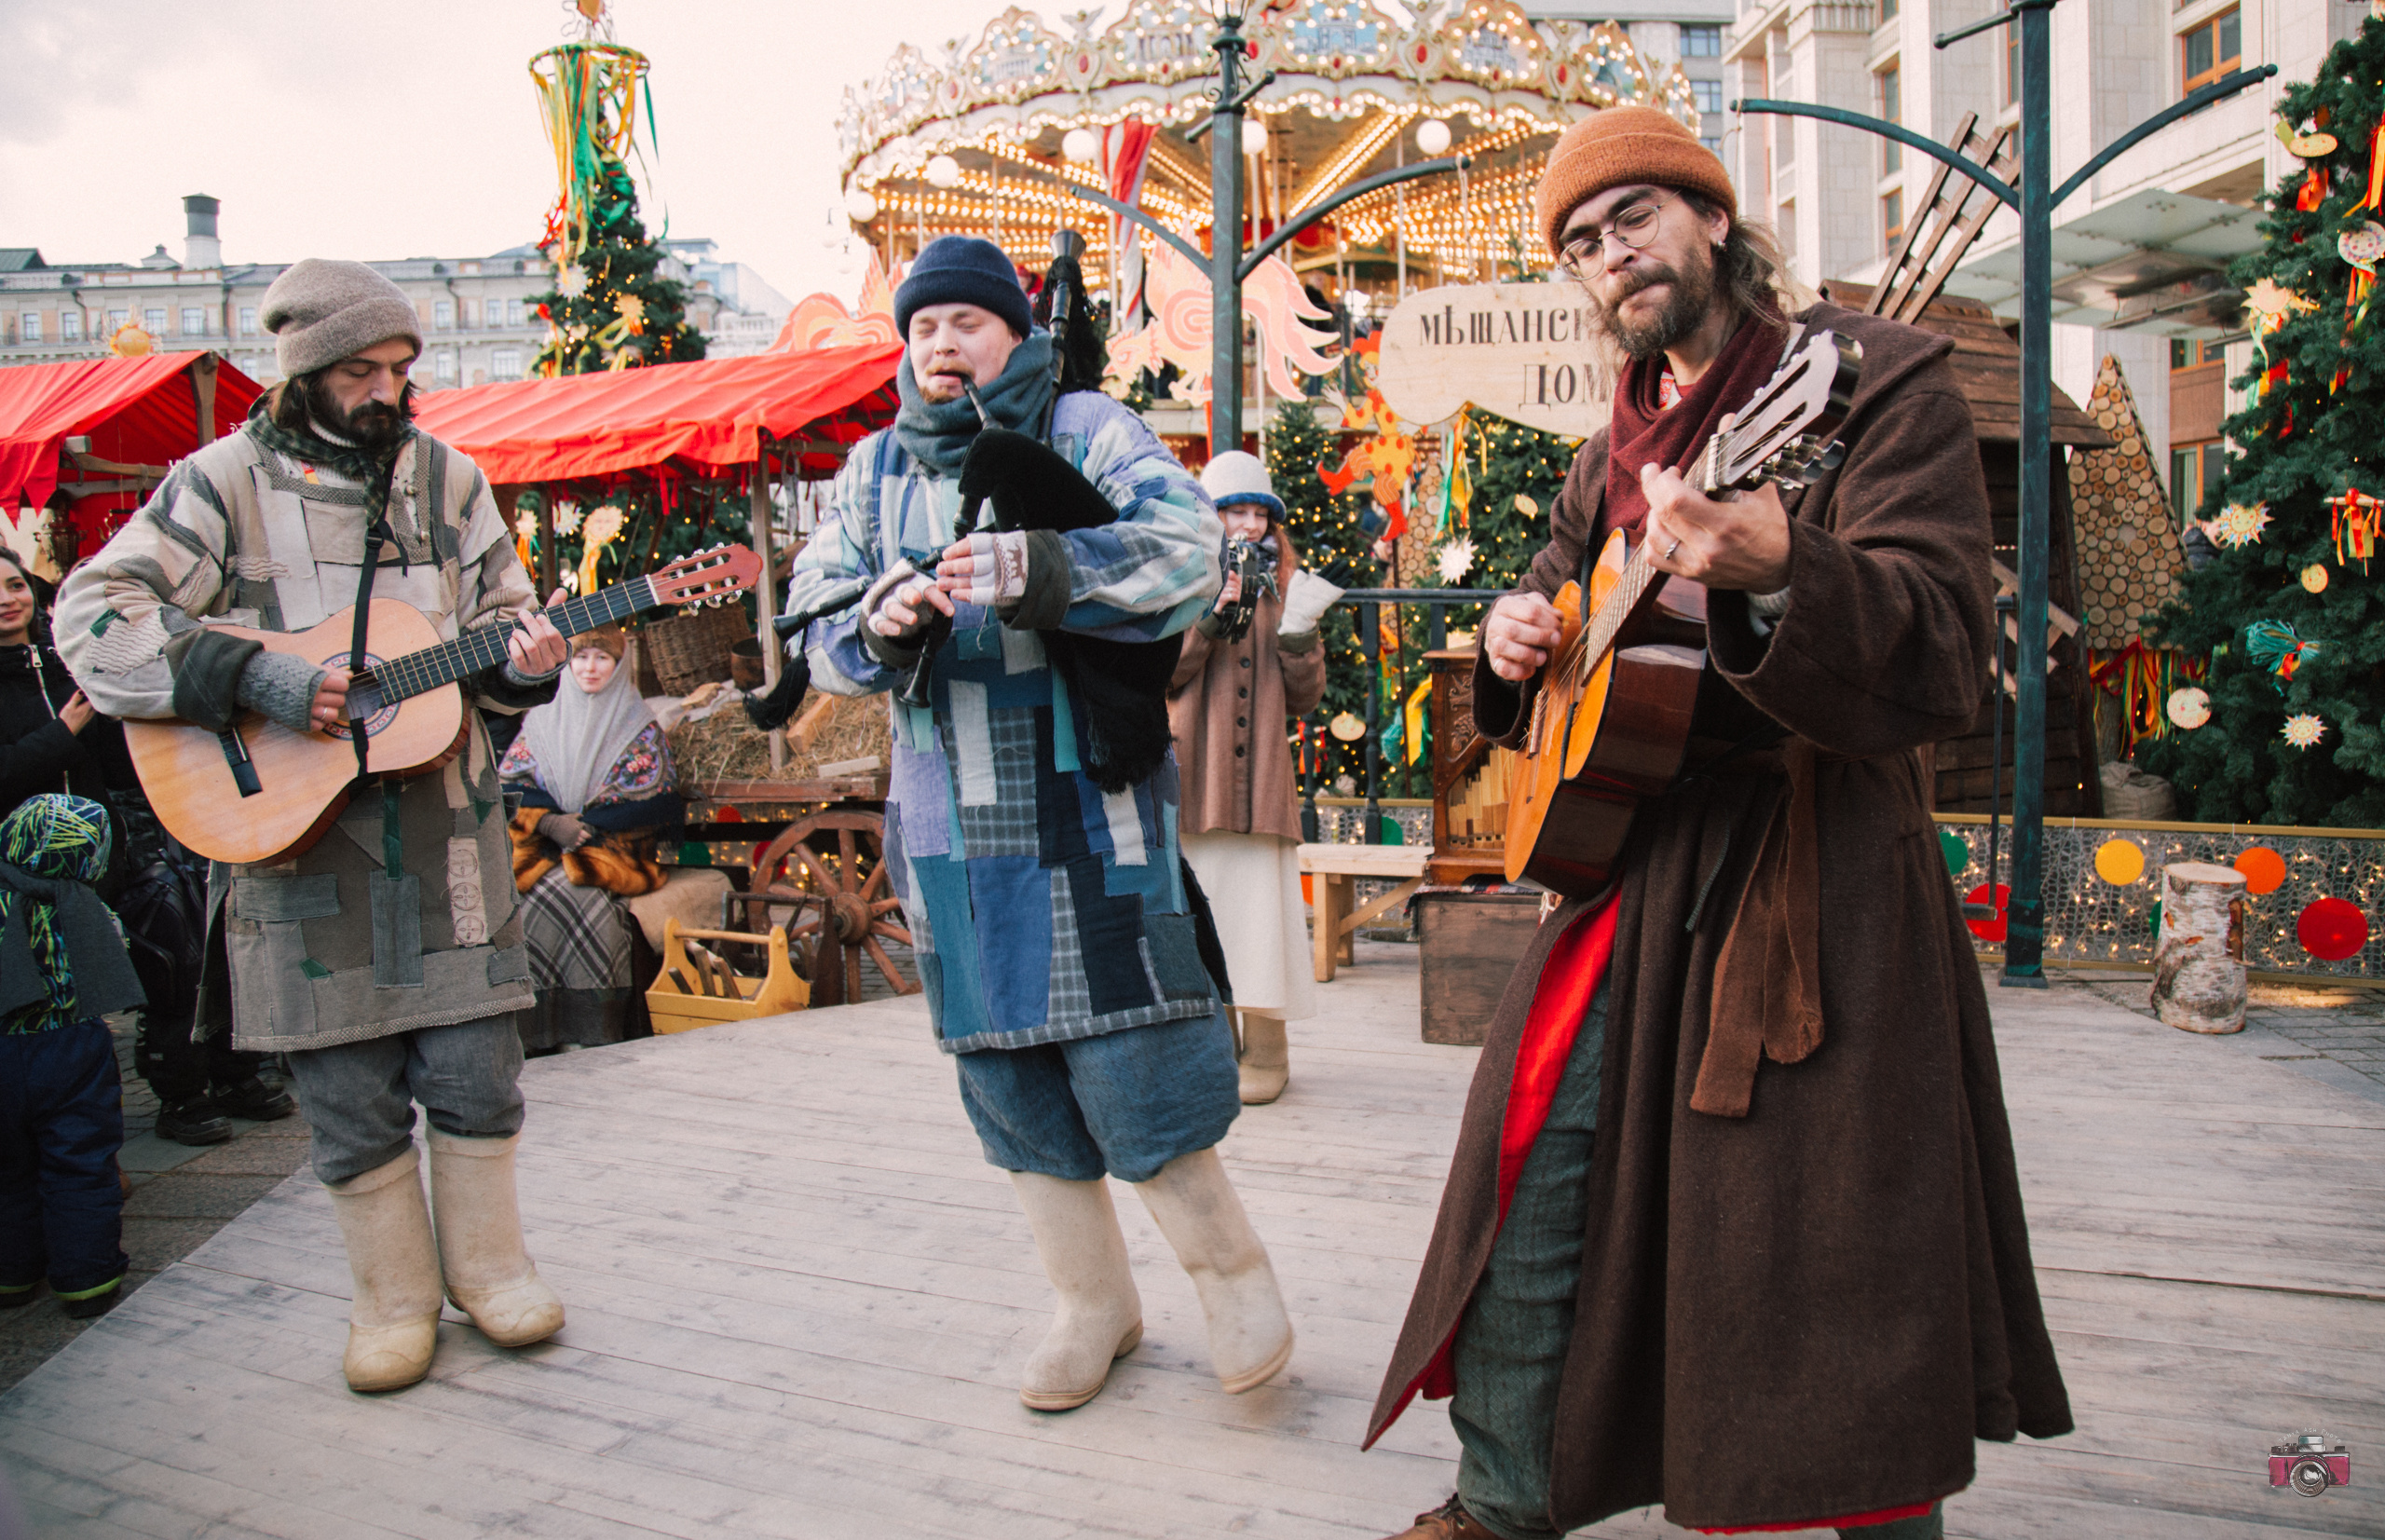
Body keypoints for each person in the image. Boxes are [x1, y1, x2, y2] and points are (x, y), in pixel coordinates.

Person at [1365, 108, 2071, 1540]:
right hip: (1631, 858)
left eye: (1632, 217)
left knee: (1822, 1248)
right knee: (1532, 1174)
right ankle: (1504, 1500)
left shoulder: (1877, 384)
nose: (1607, 253)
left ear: (1712, 223)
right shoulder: (1606, 447)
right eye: (1578, 241)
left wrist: (1783, 565)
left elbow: (1944, 646)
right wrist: (1519, 640)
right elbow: (1568, 604)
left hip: (1819, 868)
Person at [781, 234, 1295, 1412]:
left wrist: (1041, 565)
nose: (943, 344)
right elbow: (811, 625)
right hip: (948, 839)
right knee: (1005, 1076)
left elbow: (1187, 550)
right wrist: (881, 612)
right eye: (922, 327)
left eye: (966, 322)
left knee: (1136, 1061)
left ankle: (1233, 1276)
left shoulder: (1088, 427)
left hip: (1092, 813)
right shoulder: (866, 472)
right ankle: (1090, 1301)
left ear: (1011, 330)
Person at [55, 258, 575, 1394]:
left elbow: (497, 631)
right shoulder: (218, 482)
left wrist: (527, 670)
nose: (388, 390)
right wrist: (266, 684)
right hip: (296, 842)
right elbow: (92, 611)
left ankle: (490, 1272)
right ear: (302, 373)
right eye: (360, 370)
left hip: (449, 837)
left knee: (479, 1070)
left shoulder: (449, 480)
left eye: (401, 368)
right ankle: (391, 1301)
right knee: (345, 1091)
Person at [0, 546, 294, 1147]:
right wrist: (61, 735)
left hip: (110, 845)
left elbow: (125, 756)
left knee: (174, 960)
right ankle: (106, 1117)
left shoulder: (68, 664)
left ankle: (215, 1080)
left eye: (13, 585)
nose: (8, 600)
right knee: (61, 998)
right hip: (19, 871)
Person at [1168, 451, 1338, 1103]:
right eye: (1234, 509)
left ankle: (1268, 1048)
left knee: (1260, 912)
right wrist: (1212, 617)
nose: (1248, 523)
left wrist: (1298, 637)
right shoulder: (1184, 579)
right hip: (1197, 776)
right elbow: (1166, 676)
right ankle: (1214, 1048)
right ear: (1210, 516)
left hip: (1262, 777)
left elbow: (1305, 698)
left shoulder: (1285, 587)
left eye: (1258, 511)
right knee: (1205, 911)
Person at [0, 794, 146, 1319]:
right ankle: (87, 1280)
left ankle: (12, 1275)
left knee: (8, 1168)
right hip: (70, 1046)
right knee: (80, 1161)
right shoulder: (91, 909)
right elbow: (117, 951)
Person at [500, 624, 677, 1054]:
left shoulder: (639, 725)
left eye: (602, 658)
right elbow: (513, 779)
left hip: (616, 848)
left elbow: (655, 795)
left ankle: (592, 1025)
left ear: (618, 666)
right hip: (546, 847)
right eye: (580, 657)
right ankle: (537, 1029)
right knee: (524, 899)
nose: (590, 667)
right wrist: (548, 823)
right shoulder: (541, 718)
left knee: (581, 896)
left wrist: (588, 828)